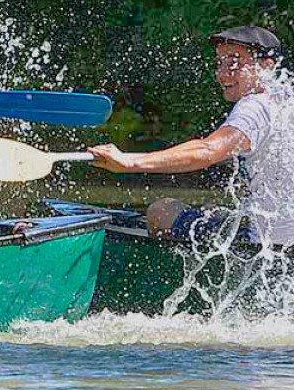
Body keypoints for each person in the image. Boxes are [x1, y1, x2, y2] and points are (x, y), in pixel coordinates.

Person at [89, 26, 293, 247]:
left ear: (266, 66)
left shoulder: (256, 105)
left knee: (163, 210)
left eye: (234, 63)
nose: (222, 73)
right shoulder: (286, 98)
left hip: (269, 247)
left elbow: (208, 150)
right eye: (220, 63)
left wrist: (129, 161)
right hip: (283, 246)